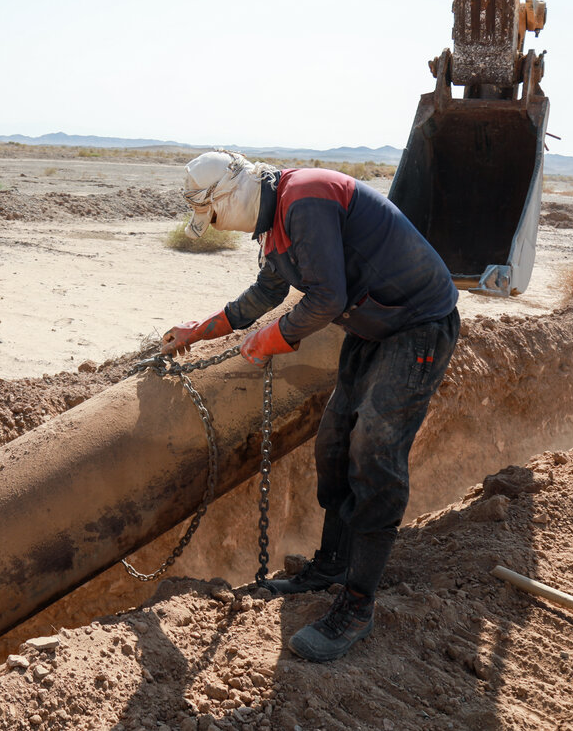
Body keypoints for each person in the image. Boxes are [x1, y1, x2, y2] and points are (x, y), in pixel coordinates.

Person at [160, 149, 459, 662]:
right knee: (334, 445)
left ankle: (357, 605)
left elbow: (325, 297)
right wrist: (198, 331)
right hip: (374, 330)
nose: (220, 228)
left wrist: (275, 338)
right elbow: (265, 294)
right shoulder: (274, 223)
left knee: (373, 452)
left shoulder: (306, 197)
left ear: (229, 198)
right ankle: (332, 566)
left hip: (417, 328)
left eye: (214, 216)